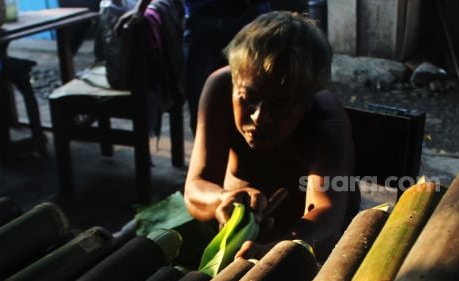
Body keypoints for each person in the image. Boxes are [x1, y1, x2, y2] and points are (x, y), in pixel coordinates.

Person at [184, 11, 359, 263]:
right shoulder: (219, 88)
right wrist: (221, 198)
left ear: (307, 101)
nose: (259, 118)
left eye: (281, 106)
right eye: (249, 99)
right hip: (236, 240)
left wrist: (277, 253)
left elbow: (326, 215)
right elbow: (196, 187)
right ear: (235, 81)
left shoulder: (326, 122)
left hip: (301, 245)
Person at [115, 0, 271, 135]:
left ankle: (249, 165)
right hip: (202, 20)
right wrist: (140, 8)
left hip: (249, 17)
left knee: (255, 101)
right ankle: (210, 164)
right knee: (202, 110)